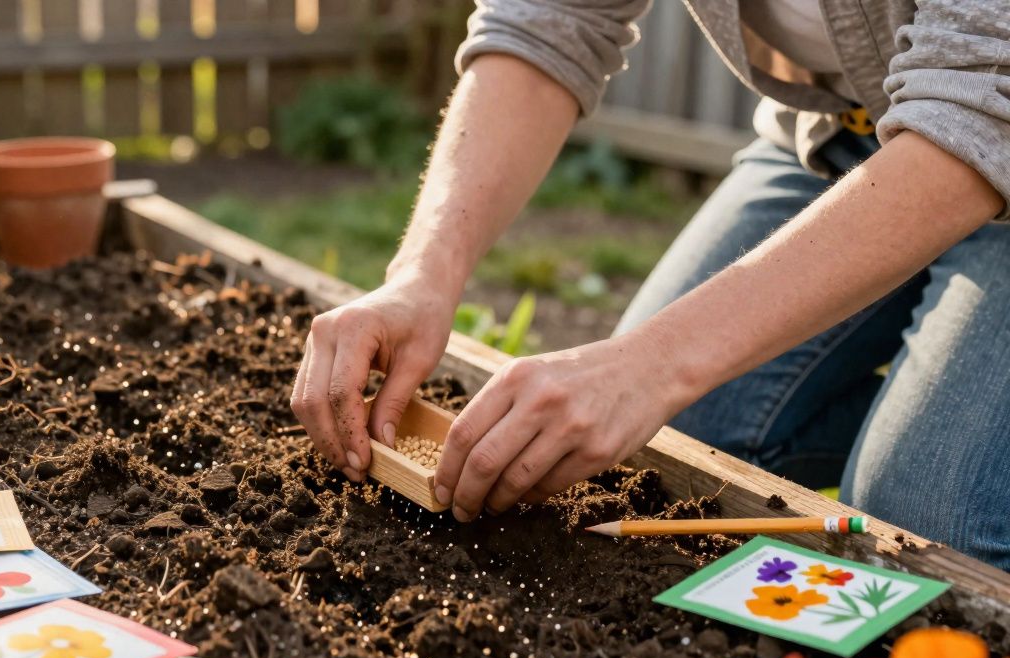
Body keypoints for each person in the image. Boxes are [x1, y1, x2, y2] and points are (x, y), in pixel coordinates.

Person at [289, 0, 1010, 570]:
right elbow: (551, 19)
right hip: (844, 129)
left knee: (923, 518)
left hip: (981, 110)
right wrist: (421, 275)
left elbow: (977, 103)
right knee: (668, 445)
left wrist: (653, 363)